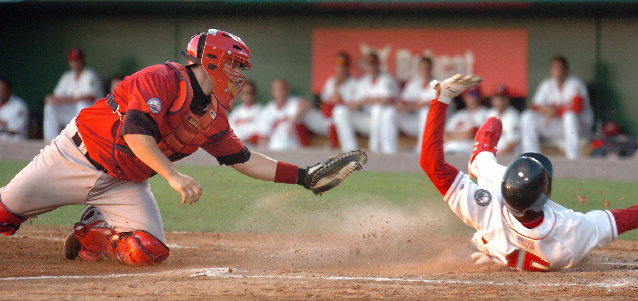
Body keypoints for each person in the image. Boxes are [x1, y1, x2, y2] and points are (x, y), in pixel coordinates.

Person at [0, 29, 366, 266]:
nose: (239, 76)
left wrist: (303, 176)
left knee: (148, 251)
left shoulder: (214, 114)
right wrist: (173, 175)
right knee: (4, 215)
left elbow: (244, 159)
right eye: (233, 65)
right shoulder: (161, 78)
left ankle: (93, 231)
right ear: (209, 62)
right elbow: (135, 134)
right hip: (76, 156)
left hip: (124, 181)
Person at [421, 74, 638, 271]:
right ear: (543, 196)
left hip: (491, 241)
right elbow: (626, 218)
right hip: (535, 250)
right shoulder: (573, 230)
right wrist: (488, 139)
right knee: (483, 164)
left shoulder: (489, 200)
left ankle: (489, 248)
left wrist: (442, 100)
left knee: (483, 169)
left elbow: (433, 163)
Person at [520, 55, 594, 160]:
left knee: (569, 116)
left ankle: (573, 157)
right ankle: (531, 157)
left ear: (566, 70)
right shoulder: (547, 84)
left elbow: (576, 108)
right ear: (551, 70)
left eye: (560, 68)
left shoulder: (575, 84)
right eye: (554, 68)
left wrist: (553, 111)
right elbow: (535, 106)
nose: (557, 71)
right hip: (557, 126)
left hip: (580, 128)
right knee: (527, 116)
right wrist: (548, 111)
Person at [332, 52, 400, 153]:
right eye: (368, 63)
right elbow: (352, 103)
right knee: (339, 110)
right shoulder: (362, 82)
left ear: (379, 64)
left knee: (377, 109)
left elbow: (387, 100)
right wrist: (366, 101)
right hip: (366, 120)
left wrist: (364, 101)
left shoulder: (386, 79)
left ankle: (375, 148)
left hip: (383, 122)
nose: (371, 66)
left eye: (373, 63)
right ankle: (349, 149)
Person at [43, 47, 104, 142]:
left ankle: (82, 140)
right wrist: (51, 98)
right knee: (49, 107)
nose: (75, 64)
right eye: (72, 61)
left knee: (82, 105)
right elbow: (57, 95)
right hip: (73, 114)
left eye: (77, 61)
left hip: (92, 116)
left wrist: (66, 100)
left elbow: (89, 97)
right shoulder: (67, 76)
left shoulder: (90, 75)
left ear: (82, 61)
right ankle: (51, 141)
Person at [257, 79, 328, 150]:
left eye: (283, 89)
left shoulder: (293, 103)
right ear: (272, 91)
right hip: (275, 147)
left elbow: (306, 103)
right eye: (278, 89)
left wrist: (292, 120)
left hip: (294, 146)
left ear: (288, 90)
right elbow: (262, 138)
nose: (280, 92)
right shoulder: (267, 111)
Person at [387, 56, 439, 154]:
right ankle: (389, 150)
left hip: (435, 126)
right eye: (422, 68)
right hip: (415, 122)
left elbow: (433, 105)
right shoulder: (414, 83)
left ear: (432, 69)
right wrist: (410, 106)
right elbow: (401, 103)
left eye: (427, 68)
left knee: (426, 112)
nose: (425, 71)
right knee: (390, 112)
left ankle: (421, 149)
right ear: (418, 69)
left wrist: (412, 106)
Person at [319, 52, 359, 149]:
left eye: (343, 65)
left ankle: (349, 149)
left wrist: (338, 98)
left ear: (348, 66)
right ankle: (332, 142)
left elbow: (352, 105)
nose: (340, 68)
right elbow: (324, 102)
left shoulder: (354, 83)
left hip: (352, 117)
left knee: (339, 111)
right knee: (330, 112)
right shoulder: (331, 81)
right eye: (338, 65)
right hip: (330, 121)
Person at [443, 85, 488, 154]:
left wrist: (453, 135)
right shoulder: (457, 115)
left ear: (480, 97)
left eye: (475, 95)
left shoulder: (485, 113)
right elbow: (444, 136)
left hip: (469, 150)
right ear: (464, 97)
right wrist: (462, 135)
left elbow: (472, 134)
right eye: (469, 95)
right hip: (450, 148)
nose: (472, 98)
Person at [485, 84, 520, 155]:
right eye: (497, 98)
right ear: (492, 100)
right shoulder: (489, 114)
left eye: (502, 98)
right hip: (491, 155)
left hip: (508, 156)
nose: (500, 101)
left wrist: (494, 156)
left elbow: (511, 145)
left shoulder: (513, 116)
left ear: (507, 100)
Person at [228, 81, 263, 146]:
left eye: (249, 93)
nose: (247, 96)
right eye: (244, 93)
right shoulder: (236, 112)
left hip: (253, 148)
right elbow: (227, 132)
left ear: (254, 94)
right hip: (234, 148)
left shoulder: (261, 111)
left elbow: (261, 135)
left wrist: (242, 141)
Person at [0, 77, 29, 142]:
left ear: (9, 90)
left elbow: (15, 130)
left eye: (2, 89)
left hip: (15, 144)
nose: (0, 92)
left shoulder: (19, 106)